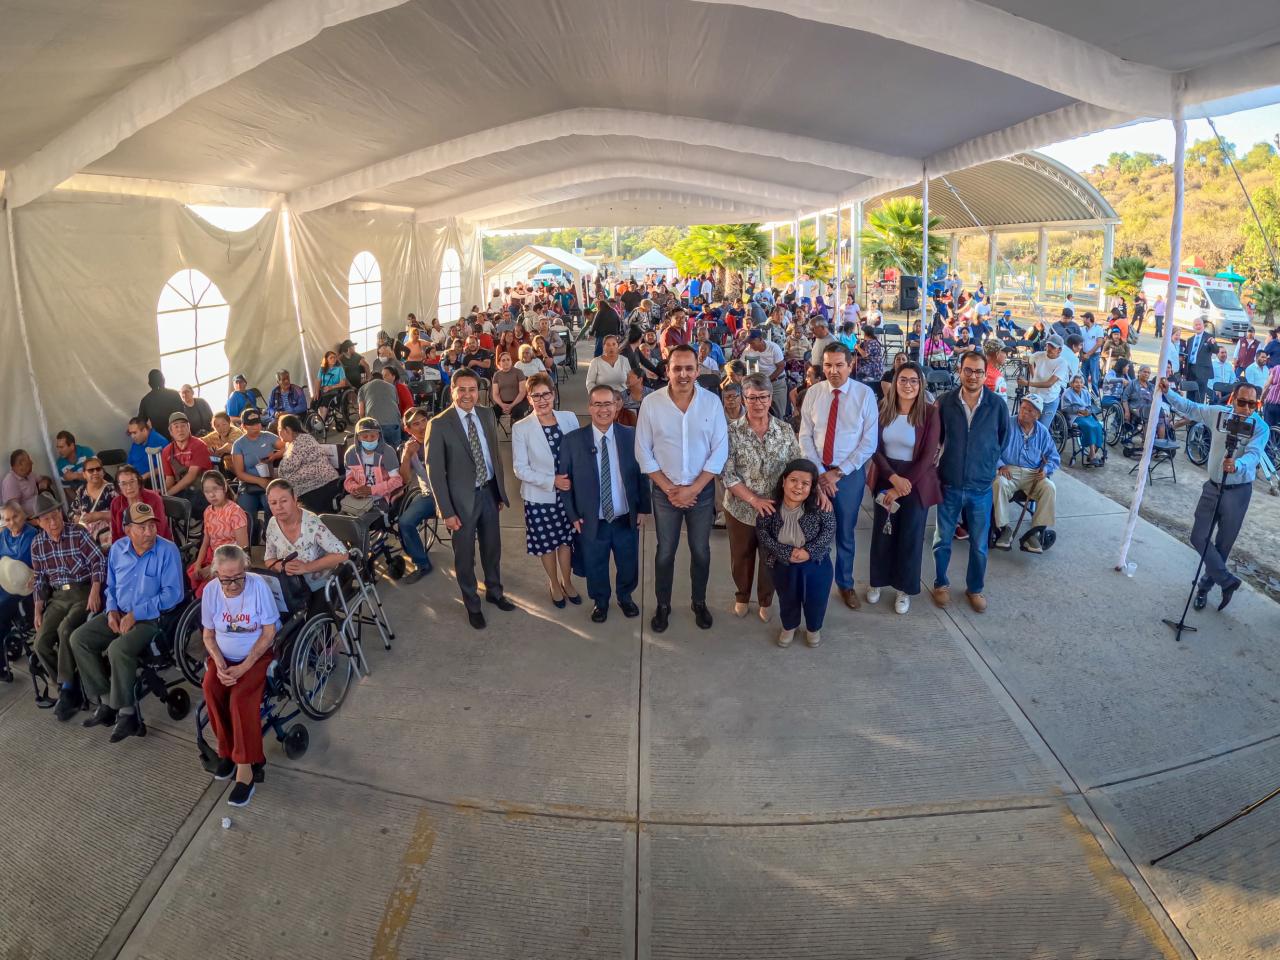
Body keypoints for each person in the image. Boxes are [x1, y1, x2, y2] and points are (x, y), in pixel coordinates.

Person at [69, 500, 182, 741]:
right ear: (128, 529)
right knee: (79, 638)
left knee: (117, 649)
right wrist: (111, 611)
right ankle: (107, 702)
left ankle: (128, 713)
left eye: (152, 526)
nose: (149, 532)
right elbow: (111, 587)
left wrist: (136, 614)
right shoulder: (118, 549)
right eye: (142, 527)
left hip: (151, 619)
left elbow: (173, 594)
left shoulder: (167, 550)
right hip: (119, 613)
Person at [635, 344, 728, 633]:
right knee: (665, 552)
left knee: (700, 551)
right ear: (668, 371)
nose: (683, 374)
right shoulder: (652, 404)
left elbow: (719, 451)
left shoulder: (712, 403)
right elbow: (643, 452)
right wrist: (670, 488)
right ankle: (663, 606)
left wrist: (693, 490)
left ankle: (698, 602)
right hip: (665, 493)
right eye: (677, 368)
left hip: (701, 493)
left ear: (698, 370)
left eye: (689, 368)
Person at [1158, 378, 1270, 611]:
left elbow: (1254, 454)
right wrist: (1169, 392)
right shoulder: (1218, 414)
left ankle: (1204, 588)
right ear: (1232, 400)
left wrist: (1237, 465)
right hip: (1213, 486)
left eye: (1253, 404)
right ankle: (1227, 581)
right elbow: (1192, 408)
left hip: (1238, 492)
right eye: (1242, 402)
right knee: (1198, 537)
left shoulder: (1260, 426)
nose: (1247, 409)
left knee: (1223, 545)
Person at [425, 369, 514, 629]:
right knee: (465, 557)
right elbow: (436, 473)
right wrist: (446, 511)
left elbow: (495, 457)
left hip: (488, 493)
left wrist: (498, 492)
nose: (467, 395)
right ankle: (472, 604)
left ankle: (495, 592)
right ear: (451, 391)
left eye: (472, 389)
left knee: (492, 549)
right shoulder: (440, 424)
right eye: (461, 389)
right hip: (460, 504)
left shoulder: (486, 414)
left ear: (479, 391)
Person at [797, 343, 879, 611]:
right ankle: (814, 581)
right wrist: (820, 474)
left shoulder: (864, 395)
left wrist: (838, 473)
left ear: (851, 364)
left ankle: (845, 583)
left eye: (839, 365)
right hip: (816, 472)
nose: (833, 371)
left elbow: (868, 442)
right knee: (813, 530)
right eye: (828, 365)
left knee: (845, 532)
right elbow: (805, 436)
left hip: (849, 475)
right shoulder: (813, 393)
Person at [557, 385, 648, 622]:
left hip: (624, 518)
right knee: (596, 564)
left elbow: (642, 475)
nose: (603, 409)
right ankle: (600, 602)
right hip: (591, 519)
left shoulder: (631, 435)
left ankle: (625, 597)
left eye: (608, 403)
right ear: (589, 408)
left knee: (628, 562)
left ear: (616, 406)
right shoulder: (572, 441)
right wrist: (572, 514)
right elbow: (564, 483)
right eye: (597, 404)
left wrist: (643, 508)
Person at [199, 544, 279, 806]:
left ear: (245, 568)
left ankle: (245, 767)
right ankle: (227, 752)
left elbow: (269, 633)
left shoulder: (258, 587)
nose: (233, 585)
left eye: (238, 577)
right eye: (226, 579)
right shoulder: (211, 591)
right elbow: (208, 634)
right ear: (217, 574)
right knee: (211, 688)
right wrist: (219, 663)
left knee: (240, 698)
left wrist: (245, 666)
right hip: (223, 657)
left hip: (256, 655)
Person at [721, 372, 802, 623]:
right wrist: (754, 500)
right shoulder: (731, 432)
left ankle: (766, 599)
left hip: (776, 511)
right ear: (744, 399)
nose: (758, 403)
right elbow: (728, 473)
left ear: (770, 398)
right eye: (752, 398)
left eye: (763, 397)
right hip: (740, 509)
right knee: (741, 556)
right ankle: (742, 596)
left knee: (771, 557)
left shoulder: (785, 430)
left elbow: (794, 467)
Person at [931, 350, 1009, 613]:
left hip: (981, 487)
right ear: (959, 371)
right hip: (949, 484)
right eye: (968, 370)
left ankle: (975, 588)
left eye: (978, 371)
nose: (973, 376)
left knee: (978, 544)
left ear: (985, 374)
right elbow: (936, 439)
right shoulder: (945, 402)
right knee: (942, 540)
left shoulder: (997, 405)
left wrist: (986, 464)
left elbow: (1003, 440)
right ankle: (940, 583)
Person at [867, 362, 941, 614]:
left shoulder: (930, 413)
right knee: (882, 534)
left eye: (914, 381)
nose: (908, 385)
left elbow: (929, 454)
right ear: (895, 382)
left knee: (909, 537)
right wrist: (892, 479)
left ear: (921, 385)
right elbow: (874, 448)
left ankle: (903, 589)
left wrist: (901, 487)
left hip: (916, 481)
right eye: (903, 380)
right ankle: (877, 582)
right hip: (886, 477)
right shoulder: (882, 408)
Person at [29, 493, 106, 719]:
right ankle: (68, 687)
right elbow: (40, 579)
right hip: (57, 597)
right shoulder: (37, 544)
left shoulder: (78, 533)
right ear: (38, 523)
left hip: (82, 591)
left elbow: (97, 561)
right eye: (46, 519)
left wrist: (95, 589)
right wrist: (37, 607)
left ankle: (67, 690)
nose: (53, 523)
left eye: (55, 516)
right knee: (40, 642)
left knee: (65, 630)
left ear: (61, 513)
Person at [512, 374, 581, 608]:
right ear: (529, 399)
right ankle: (553, 582)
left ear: (554, 394)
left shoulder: (569, 418)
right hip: (540, 498)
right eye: (536, 396)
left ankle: (567, 581)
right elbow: (520, 469)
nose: (542, 400)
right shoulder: (521, 428)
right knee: (548, 543)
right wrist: (552, 481)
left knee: (566, 541)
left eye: (546, 394)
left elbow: (580, 455)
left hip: (569, 496)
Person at [756, 459, 836, 648]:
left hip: (815, 565)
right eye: (793, 480)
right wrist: (785, 552)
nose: (798, 487)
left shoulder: (819, 506)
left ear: (812, 487)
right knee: (787, 598)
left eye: (805, 483)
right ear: (783, 481)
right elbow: (763, 534)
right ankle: (789, 626)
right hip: (784, 565)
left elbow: (829, 530)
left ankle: (813, 628)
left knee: (816, 599)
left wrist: (809, 551)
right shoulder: (770, 507)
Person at [262, 479, 347, 609]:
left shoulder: (311, 523)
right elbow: (269, 559)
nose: (279, 507)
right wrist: (282, 566)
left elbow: (342, 555)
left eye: (284, 501)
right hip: (291, 585)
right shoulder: (273, 523)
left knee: (306, 619)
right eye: (273, 503)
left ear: (294, 499)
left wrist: (307, 567)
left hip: (319, 584)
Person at [993, 395, 1060, 553]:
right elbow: (992, 447)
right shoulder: (1007, 424)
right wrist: (1000, 465)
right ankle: (1003, 529)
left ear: (1037, 415)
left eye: (1029, 410)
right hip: (1010, 470)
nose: (1024, 412)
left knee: (1050, 488)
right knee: (999, 483)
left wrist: (1046, 470)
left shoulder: (1042, 432)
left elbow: (1054, 457)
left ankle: (1034, 533)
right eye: (1023, 408)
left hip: (1033, 474)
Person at [187, 471, 249, 597]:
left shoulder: (235, 512)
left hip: (231, 558)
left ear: (225, 488)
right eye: (207, 491)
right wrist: (198, 563)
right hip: (212, 555)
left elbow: (243, 548)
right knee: (193, 574)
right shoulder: (208, 511)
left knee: (205, 592)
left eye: (215, 489)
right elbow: (206, 540)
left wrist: (213, 568)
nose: (211, 494)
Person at [228, 409, 281, 542]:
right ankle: (252, 535)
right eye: (251, 424)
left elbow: (287, 445)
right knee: (246, 513)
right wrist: (259, 481)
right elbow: (239, 473)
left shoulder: (268, 436)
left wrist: (275, 455)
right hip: (248, 483)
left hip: (268, 481)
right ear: (244, 426)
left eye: (258, 423)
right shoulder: (239, 444)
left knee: (271, 505)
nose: (256, 427)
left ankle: (271, 535)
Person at [0, 500, 39, 681]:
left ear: (22, 514)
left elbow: (24, 563)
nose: (12, 522)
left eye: (14, 516)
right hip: (3, 583)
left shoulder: (32, 534)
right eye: (7, 519)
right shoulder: (4, 535)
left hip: (22, 588)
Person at [276, 414, 343, 514]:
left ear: (288, 429)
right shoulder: (292, 442)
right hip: (313, 487)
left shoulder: (301, 441)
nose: (278, 432)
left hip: (319, 487)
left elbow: (287, 467)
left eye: (280, 428)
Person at [161, 410, 214, 513]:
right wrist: (163, 494)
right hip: (183, 491)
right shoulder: (167, 451)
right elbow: (169, 478)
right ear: (171, 431)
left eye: (183, 426)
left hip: (202, 490)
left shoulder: (199, 445)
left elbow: (191, 476)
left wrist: (168, 494)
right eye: (176, 426)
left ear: (189, 427)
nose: (180, 429)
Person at [109, 465, 171, 542]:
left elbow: (160, 531)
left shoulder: (154, 499)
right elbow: (115, 535)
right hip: (126, 547)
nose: (129, 487)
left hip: (155, 544)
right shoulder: (116, 503)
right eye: (124, 484)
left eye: (132, 481)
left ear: (138, 482)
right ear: (119, 487)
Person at [1024, 334, 1070, 423]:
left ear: (1059, 350)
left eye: (1053, 347)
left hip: (1049, 400)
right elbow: (1030, 361)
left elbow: (1049, 384)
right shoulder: (1038, 355)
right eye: (1048, 345)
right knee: (1028, 424)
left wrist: (1028, 383)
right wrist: (1033, 375)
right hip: (1034, 396)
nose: (1049, 348)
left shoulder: (1062, 363)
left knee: (1043, 427)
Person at [1061, 374, 1105, 466]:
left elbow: (1089, 406)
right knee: (1089, 427)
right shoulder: (1067, 393)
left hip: (1086, 415)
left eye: (1081, 382)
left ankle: (1091, 454)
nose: (1079, 384)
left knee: (1098, 426)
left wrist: (1087, 412)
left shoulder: (1085, 392)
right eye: (1076, 382)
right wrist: (1078, 410)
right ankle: (1092, 455)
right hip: (1075, 416)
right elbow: (1065, 408)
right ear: (1072, 384)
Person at [741, 330, 787, 418]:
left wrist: (767, 380)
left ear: (760, 339)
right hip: (759, 384)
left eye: (752, 342)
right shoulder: (748, 350)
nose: (750, 345)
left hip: (776, 383)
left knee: (779, 413)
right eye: (749, 343)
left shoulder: (773, 348)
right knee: (759, 412)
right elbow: (742, 366)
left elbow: (781, 366)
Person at [69, 457, 116, 543]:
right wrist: (79, 519)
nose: (95, 472)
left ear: (103, 472)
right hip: (87, 537)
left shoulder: (112, 489)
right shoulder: (82, 490)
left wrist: (100, 515)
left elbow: (121, 513)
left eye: (98, 469)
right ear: (84, 474)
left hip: (109, 536)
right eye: (91, 470)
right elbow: (72, 512)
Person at [357, 365, 404, 447]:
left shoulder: (362, 388)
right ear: (382, 379)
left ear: (369, 380)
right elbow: (396, 405)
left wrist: (363, 427)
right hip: (394, 424)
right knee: (396, 452)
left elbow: (361, 412)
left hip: (375, 426)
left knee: (379, 452)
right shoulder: (392, 387)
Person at [2, 449, 53, 516]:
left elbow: (46, 478)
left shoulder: (30, 474)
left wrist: (45, 481)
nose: (32, 462)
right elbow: (13, 511)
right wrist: (32, 522)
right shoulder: (10, 481)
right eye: (29, 460)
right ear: (20, 464)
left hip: (42, 511)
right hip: (31, 519)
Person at [138, 369, 184, 441]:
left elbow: (141, 424)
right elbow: (183, 417)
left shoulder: (146, 400)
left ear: (149, 383)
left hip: (159, 440)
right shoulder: (174, 394)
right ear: (163, 380)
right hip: (178, 436)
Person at [490, 351, 531, 423]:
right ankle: (493, 433)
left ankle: (516, 432)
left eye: (508, 359)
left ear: (511, 361)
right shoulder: (497, 375)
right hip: (503, 403)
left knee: (517, 411)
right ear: (499, 363)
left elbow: (522, 392)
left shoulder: (519, 372)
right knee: (492, 413)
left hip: (519, 402)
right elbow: (495, 394)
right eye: (503, 360)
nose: (506, 362)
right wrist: (502, 405)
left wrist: (511, 406)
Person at [125, 417, 167, 485]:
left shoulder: (160, 441)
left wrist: (146, 475)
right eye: (130, 433)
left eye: (134, 433)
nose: (132, 436)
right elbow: (130, 463)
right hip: (136, 480)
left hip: (153, 482)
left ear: (144, 430)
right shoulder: (136, 442)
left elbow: (167, 467)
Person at [1184, 318, 1216, 402]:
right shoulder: (1190, 340)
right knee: (1190, 395)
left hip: (1202, 372)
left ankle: (1198, 414)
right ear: (1193, 327)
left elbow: (1216, 350)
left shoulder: (1209, 337)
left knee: (1199, 396)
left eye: (1200, 324)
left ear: (1203, 326)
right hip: (1191, 370)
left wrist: (1212, 343)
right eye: (1196, 325)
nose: (1198, 326)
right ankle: (1189, 414)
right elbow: (1187, 356)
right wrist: (1184, 372)